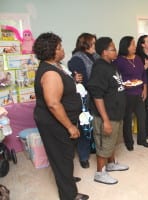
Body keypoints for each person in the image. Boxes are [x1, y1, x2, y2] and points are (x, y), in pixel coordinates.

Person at [33, 32, 89, 200]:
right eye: (59, 47)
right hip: (55, 123)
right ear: (51, 51)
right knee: (61, 157)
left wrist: (72, 79)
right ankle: (69, 194)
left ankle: (66, 178)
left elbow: (62, 87)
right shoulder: (50, 73)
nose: (63, 49)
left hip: (61, 120)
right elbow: (53, 104)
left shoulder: (56, 65)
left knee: (65, 154)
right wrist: (70, 126)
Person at [87, 37, 129, 185]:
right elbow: (97, 95)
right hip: (107, 115)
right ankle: (100, 173)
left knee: (112, 142)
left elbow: (113, 85)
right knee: (104, 144)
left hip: (116, 113)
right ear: (104, 52)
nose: (115, 51)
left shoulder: (111, 64)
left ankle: (111, 164)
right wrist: (105, 120)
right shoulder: (99, 68)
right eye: (112, 49)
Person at [113, 36, 148, 151]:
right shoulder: (119, 61)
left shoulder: (138, 58)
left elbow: (143, 74)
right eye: (132, 45)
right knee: (128, 119)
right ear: (126, 47)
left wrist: (145, 89)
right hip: (126, 94)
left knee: (142, 117)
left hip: (139, 93)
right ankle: (129, 142)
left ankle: (142, 140)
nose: (135, 47)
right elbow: (115, 78)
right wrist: (123, 84)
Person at [68, 33, 98, 169]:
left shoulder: (95, 55)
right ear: (85, 44)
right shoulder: (76, 59)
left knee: (95, 125)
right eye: (93, 43)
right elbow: (82, 82)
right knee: (85, 127)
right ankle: (84, 156)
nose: (95, 46)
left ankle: (93, 148)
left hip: (97, 95)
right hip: (85, 99)